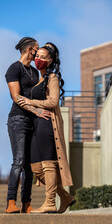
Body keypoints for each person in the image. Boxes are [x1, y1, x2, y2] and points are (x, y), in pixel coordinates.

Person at [17, 42, 75, 213]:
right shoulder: (38, 78)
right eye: (37, 56)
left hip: (47, 123)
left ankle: (50, 202)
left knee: (48, 164)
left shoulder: (52, 77)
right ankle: (64, 197)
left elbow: (53, 102)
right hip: (36, 125)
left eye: (43, 57)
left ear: (49, 61)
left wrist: (30, 101)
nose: (39, 59)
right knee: (36, 167)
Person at [5, 37, 51, 214]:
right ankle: (10, 202)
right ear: (29, 49)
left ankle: (26, 203)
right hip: (18, 120)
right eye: (36, 50)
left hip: (33, 121)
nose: (38, 53)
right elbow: (16, 97)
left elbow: (39, 93)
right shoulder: (14, 68)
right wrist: (37, 111)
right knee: (19, 161)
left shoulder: (33, 71)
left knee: (29, 166)